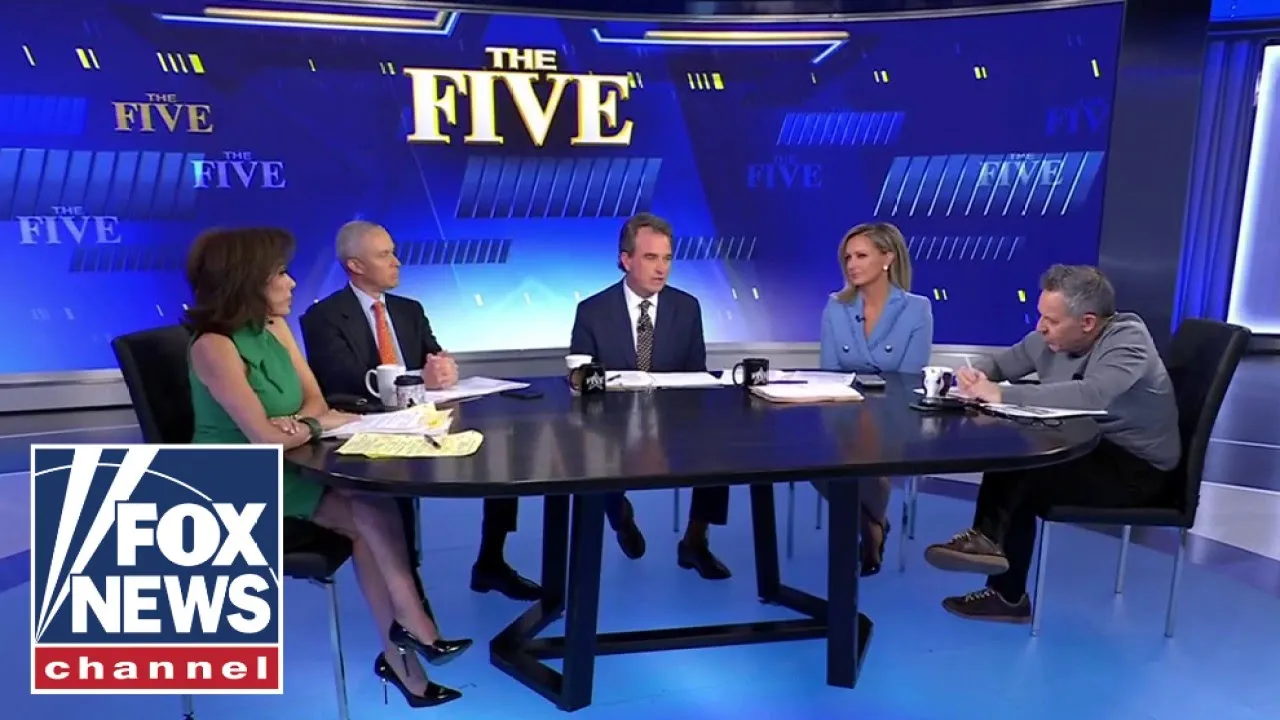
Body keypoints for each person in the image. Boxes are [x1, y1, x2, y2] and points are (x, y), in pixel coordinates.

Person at [185, 227, 472, 708]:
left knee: (372, 504)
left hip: (287, 465)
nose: (292, 283)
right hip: (235, 482)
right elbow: (266, 439)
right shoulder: (213, 346)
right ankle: (411, 636)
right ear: (246, 280)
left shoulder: (275, 328)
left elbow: (315, 404)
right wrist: (308, 427)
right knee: (367, 515)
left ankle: (409, 639)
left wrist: (301, 424)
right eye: (280, 273)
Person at [923, 264, 1180, 623]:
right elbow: (1000, 363)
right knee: (1013, 455)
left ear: (1088, 322)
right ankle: (992, 556)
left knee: (1025, 467)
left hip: (1136, 467)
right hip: (1089, 447)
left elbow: (1092, 395)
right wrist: (976, 374)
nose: (1041, 326)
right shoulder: (1050, 339)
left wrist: (1001, 394)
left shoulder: (1128, 341)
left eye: (1052, 320)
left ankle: (997, 570)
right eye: (1041, 315)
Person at [301, 221, 539, 602]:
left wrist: (444, 369)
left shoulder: (409, 310)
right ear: (355, 265)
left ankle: (491, 560)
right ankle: (409, 593)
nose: (397, 262)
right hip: (367, 426)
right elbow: (340, 378)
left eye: (393, 252)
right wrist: (416, 378)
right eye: (385, 255)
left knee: (498, 454)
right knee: (392, 486)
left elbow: (433, 355)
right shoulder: (324, 317)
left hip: (426, 420)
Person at [569, 212, 731, 580]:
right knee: (589, 451)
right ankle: (619, 515)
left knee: (716, 447)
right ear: (626, 260)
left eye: (667, 258)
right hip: (612, 422)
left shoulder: (687, 307)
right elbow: (578, 374)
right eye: (650, 257)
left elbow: (696, 374)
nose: (661, 269)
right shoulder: (592, 310)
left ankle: (695, 540)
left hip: (675, 419)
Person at [816, 221, 933, 576]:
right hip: (845, 411)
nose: (852, 264)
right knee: (812, 458)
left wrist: (871, 413)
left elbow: (910, 378)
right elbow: (831, 374)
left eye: (861, 255)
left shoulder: (916, 309)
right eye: (848, 257)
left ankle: (869, 528)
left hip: (896, 413)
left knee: (868, 446)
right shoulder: (836, 307)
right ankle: (872, 525)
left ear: (887, 258)